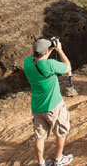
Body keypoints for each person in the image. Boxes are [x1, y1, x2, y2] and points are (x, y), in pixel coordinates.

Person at [23, 37, 74, 166]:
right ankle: (58, 159)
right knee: (61, 131)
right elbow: (68, 67)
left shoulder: (27, 62)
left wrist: (49, 48)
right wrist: (59, 50)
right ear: (46, 52)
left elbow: (39, 59)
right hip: (54, 105)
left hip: (37, 107)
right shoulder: (50, 64)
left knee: (39, 137)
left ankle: (41, 163)